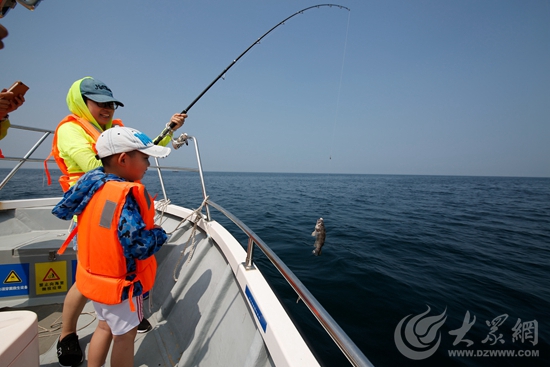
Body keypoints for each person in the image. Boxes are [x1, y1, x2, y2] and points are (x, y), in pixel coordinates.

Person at [50, 76, 186, 367]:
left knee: (102, 321)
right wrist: (160, 234)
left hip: (95, 230)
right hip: (119, 276)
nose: (108, 108)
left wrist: (168, 130)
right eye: (100, 103)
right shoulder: (72, 132)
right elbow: (138, 245)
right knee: (122, 335)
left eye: (111, 103)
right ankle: (67, 333)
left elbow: (121, 159)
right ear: (82, 103)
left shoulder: (101, 168)